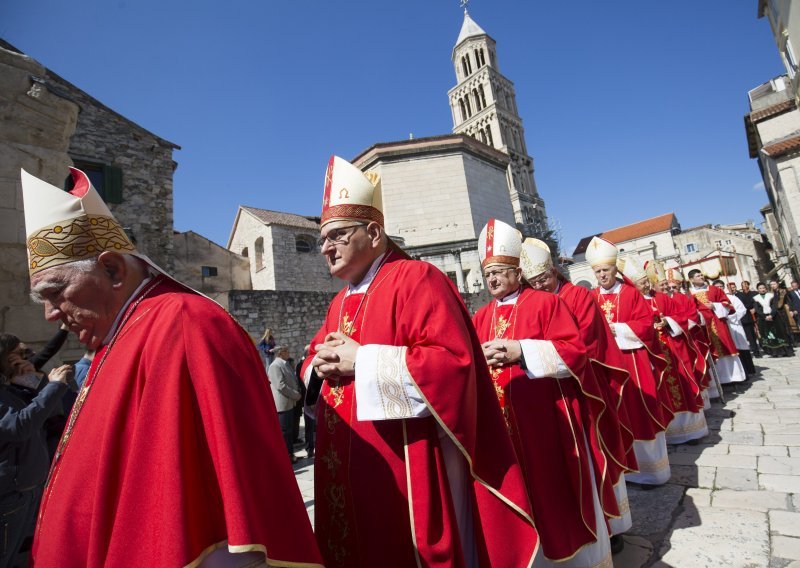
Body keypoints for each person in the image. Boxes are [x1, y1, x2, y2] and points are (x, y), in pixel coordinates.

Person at [21, 168, 322, 567]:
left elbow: (212, 506)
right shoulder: (119, 336)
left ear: (112, 270)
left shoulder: (185, 325)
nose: (49, 314)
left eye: (56, 292)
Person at [302, 156, 538, 567]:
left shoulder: (418, 279)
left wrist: (365, 361)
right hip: (346, 461)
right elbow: (315, 358)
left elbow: (453, 364)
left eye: (337, 235)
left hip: (406, 460)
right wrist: (316, 368)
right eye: (323, 238)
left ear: (374, 232)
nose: (325, 247)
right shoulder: (339, 301)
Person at [472, 222, 612, 567]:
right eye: (487, 274)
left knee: (552, 492)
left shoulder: (546, 304)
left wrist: (522, 351)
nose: (492, 280)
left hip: (546, 421)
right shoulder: (480, 316)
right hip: (501, 427)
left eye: (499, 272)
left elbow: (575, 352)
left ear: (517, 272)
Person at [523, 238, 636, 553]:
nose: (540, 286)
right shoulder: (533, 302)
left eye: (543, 279)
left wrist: (542, 353)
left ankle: (611, 527)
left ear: (555, 272)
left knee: (593, 457)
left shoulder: (578, 297)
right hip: (551, 394)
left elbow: (584, 345)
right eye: (533, 282)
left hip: (586, 390)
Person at [584, 237, 672, 487]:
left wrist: (616, 329)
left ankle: (651, 472)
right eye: (598, 271)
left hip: (632, 360)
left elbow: (645, 326)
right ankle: (625, 470)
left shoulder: (631, 294)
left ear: (615, 270)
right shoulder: (591, 297)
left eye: (606, 270)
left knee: (639, 409)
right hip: (605, 365)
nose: (602, 275)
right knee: (616, 414)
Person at [0, 334, 70, 568]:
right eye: (19, 355)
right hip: (10, 495)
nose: (26, 358)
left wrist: (35, 377)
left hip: (27, 489)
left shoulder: (12, 386)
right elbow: (20, 426)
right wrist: (56, 386)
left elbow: (44, 410)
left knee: (23, 557)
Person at [637, 261, 707, 445]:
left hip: (672, 347)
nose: (645, 286)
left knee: (682, 385)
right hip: (653, 351)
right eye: (643, 282)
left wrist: (668, 322)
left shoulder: (661, 299)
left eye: (646, 282)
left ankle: (690, 432)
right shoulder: (636, 300)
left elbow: (683, 317)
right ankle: (670, 433)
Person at [687, 269, 746, 386]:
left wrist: (714, 305)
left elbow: (728, 304)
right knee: (710, 351)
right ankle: (718, 381)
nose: (701, 277)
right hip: (703, 327)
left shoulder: (714, 289)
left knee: (726, 347)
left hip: (718, 323)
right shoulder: (689, 294)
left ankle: (734, 378)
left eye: (701, 275)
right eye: (698, 276)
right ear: (691, 279)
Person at [713, 280, 756, 376]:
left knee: (740, 347)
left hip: (734, 325)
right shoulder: (713, 300)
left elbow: (742, 310)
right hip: (721, 327)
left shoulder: (732, 298)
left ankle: (748, 370)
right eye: (717, 287)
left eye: (721, 286)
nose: (719, 288)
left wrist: (729, 318)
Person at [268, 346, 302, 463]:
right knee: (285, 432)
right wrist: (295, 395)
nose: (289, 353)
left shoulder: (285, 364)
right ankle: (287, 455)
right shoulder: (275, 366)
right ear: (281, 353)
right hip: (283, 405)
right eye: (286, 351)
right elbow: (280, 385)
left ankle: (290, 453)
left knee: (289, 431)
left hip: (289, 403)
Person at [754, 282, 795, 357]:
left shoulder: (771, 295)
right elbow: (757, 309)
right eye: (760, 288)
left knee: (780, 333)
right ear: (758, 290)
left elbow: (774, 306)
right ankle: (774, 352)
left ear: (766, 288)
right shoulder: (756, 298)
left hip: (774, 317)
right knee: (770, 335)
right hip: (764, 319)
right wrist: (764, 316)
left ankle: (785, 351)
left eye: (763, 288)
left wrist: (772, 315)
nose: (762, 289)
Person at [736, 281, 763, 358]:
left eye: (745, 285)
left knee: (759, 332)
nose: (744, 286)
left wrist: (755, 308)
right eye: (742, 285)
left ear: (748, 285)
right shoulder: (739, 295)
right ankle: (753, 352)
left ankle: (764, 348)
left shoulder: (754, 293)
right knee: (749, 335)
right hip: (745, 317)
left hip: (756, 314)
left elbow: (758, 302)